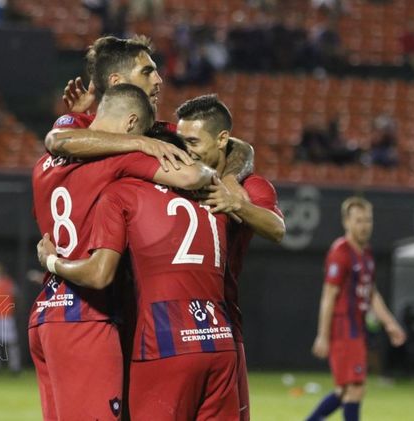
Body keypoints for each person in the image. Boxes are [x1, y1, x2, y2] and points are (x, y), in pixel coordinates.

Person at [29, 83, 216, 421]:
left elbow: (64, 137)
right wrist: (151, 146)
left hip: (46, 313)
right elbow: (191, 177)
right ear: (132, 124)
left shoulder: (44, 164)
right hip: (86, 315)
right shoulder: (120, 160)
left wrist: (73, 116)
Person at [176, 94, 285, 420]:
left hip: (220, 323)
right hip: (163, 324)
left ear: (221, 139)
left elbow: (277, 229)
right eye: (181, 140)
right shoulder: (175, 176)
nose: (185, 149)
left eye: (193, 141)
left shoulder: (250, 189)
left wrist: (236, 202)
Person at [46, 35, 254, 180]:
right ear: (117, 82)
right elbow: (56, 141)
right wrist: (139, 142)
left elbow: (238, 148)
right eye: (147, 72)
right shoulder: (80, 124)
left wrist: (230, 180)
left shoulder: (161, 135)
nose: (159, 80)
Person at [307, 197, 407, 421]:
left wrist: (389, 323)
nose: (365, 226)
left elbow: (371, 293)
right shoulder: (340, 252)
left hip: (356, 328)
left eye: (368, 220)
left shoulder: (366, 253)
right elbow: (328, 296)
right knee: (355, 388)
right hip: (344, 329)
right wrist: (323, 335)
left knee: (344, 391)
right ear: (346, 222)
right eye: (359, 220)